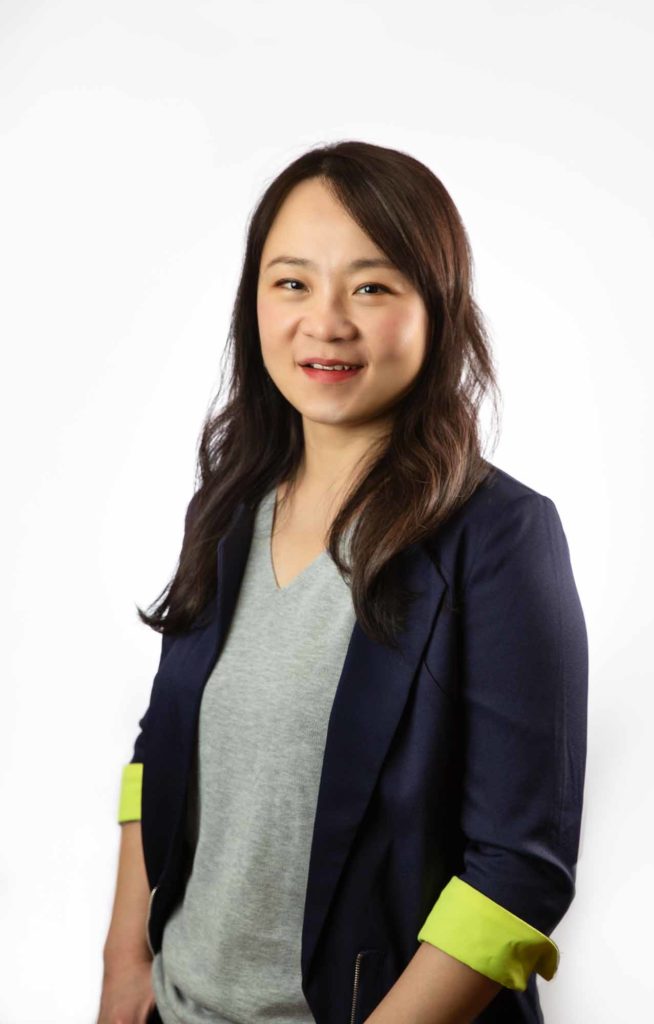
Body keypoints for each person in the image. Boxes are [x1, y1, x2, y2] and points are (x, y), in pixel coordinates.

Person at [97, 140, 588, 1024]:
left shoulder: (501, 538)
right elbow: (158, 750)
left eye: (371, 286)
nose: (326, 322)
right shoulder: (227, 508)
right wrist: (122, 968)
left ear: (437, 309)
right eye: (292, 283)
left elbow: (518, 870)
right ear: (254, 304)